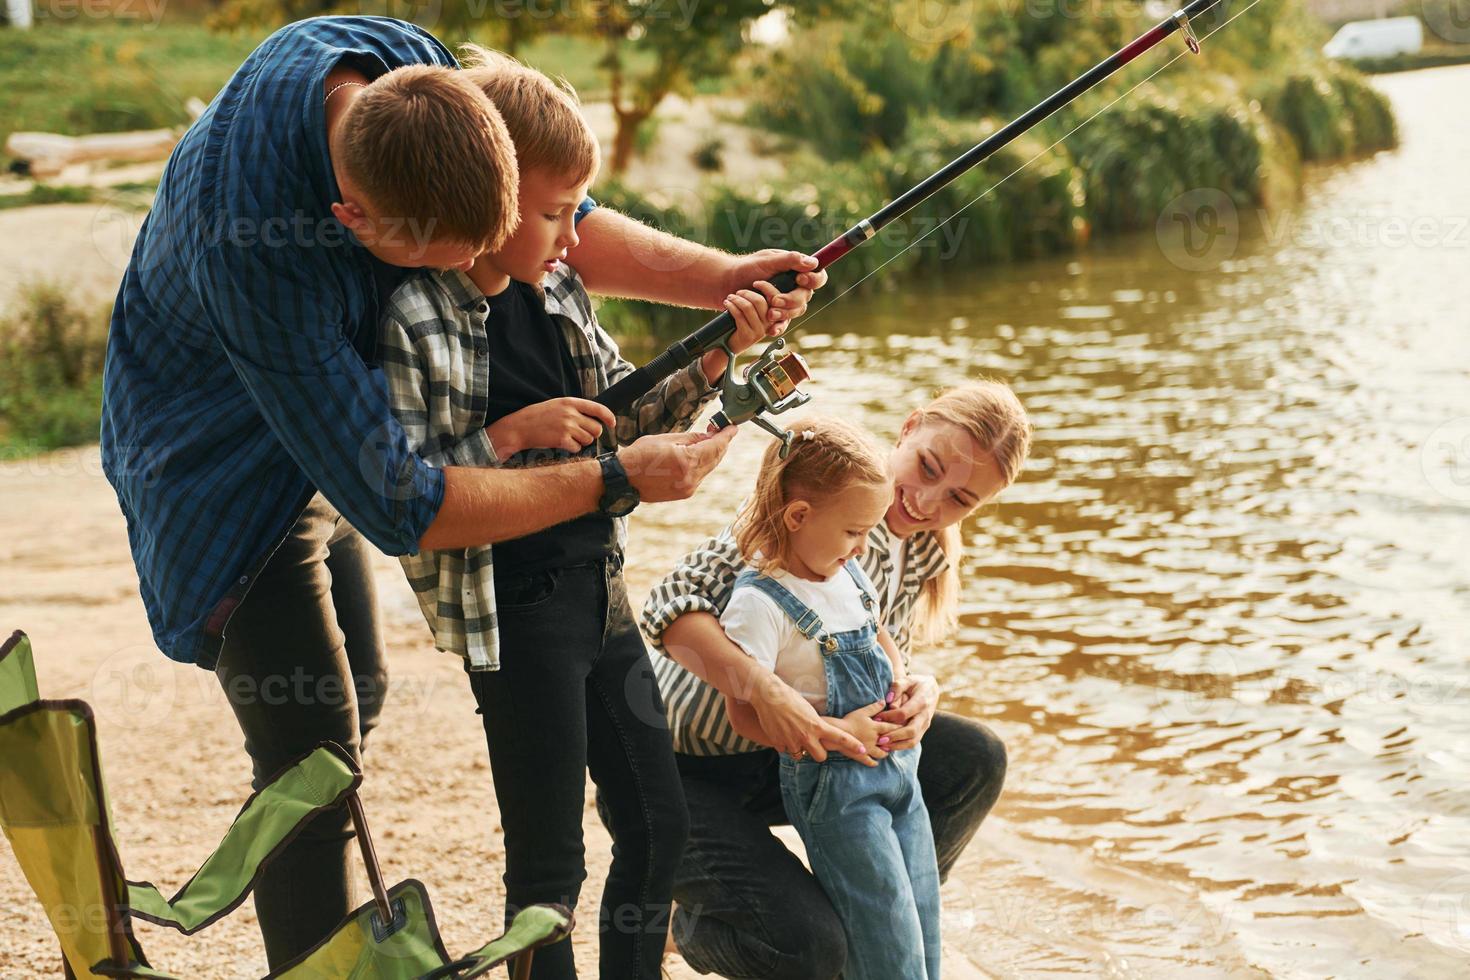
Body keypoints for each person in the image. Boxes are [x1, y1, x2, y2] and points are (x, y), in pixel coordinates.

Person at [99, 16, 825, 967]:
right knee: (313, 753)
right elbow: (406, 507)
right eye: (449, 267)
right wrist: (611, 478)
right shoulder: (261, 261)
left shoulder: (407, 68)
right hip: (219, 471)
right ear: (354, 223)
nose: (477, 286)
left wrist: (720, 281)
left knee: (362, 687)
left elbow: (552, 230)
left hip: (347, 427)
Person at [377, 48, 788, 979]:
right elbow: (406, 491)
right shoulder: (418, 316)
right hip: (515, 618)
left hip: (601, 596)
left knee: (659, 822)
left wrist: (715, 362)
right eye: (558, 213)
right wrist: (513, 437)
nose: (575, 237)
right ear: (489, 200)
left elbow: (623, 416)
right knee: (550, 869)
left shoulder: (558, 286)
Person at [637, 382, 1031, 979]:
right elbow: (667, 604)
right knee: (814, 950)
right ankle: (692, 927)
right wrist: (768, 693)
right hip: (684, 772)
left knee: (974, 759)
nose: (926, 503)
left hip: (794, 763)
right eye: (926, 467)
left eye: (959, 500)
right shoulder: (821, 500)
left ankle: (881, 913)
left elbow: (868, 653)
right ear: (910, 426)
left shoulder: (921, 555)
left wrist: (918, 692)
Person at [717, 417, 941, 980]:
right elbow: (743, 714)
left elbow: (879, 630)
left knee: (921, 915)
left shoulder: (845, 570)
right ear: (798, 516)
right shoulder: (760, 603)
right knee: (883, 933)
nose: (864, 546)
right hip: (837, 791)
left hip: (899, 770)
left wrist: (905, 679)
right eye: (853, 532)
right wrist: (838, 734)